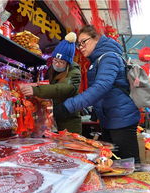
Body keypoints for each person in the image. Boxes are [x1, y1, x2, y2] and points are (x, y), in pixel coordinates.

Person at [54, 25, 141, 163]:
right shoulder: (97, 60)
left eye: (84, 41)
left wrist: (68, 106)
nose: (81, 46)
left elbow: (101, 87)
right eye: (78, 44)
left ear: (96, 39)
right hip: (111, 118)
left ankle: (136, 185)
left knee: (128, 164)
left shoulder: (109, 57)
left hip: (121, 119)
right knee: (112, 163)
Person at [19, 32, 82, 134]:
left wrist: (36, 90)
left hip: (69, 121)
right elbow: (48, 85)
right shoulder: (52, 69)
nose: (56, 64)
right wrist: (36, 85)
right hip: (53, 119)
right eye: (55, 60)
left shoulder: (74, 73)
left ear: (68, 63)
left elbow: (61, 88)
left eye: (61, 62)